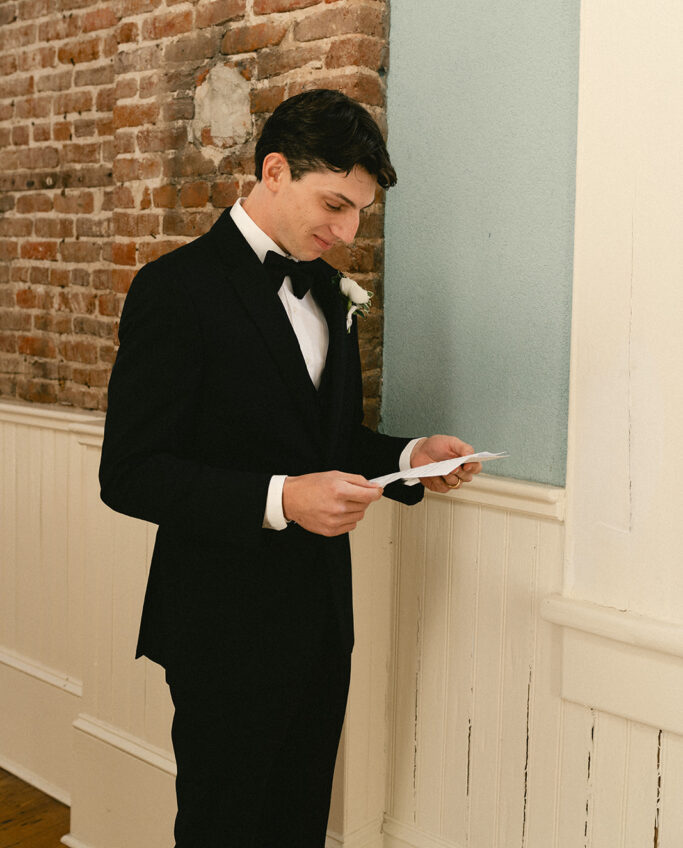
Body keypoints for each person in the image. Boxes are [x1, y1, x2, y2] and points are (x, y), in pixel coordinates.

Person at [98, 88, 482, 848]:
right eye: (334, 205)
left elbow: (325, 444)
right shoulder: (176, 290)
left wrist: (409, 458)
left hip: (319, 626)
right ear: (274, 170)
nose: (344, 232)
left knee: (298, 828)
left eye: (359, 216)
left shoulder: (329, 295)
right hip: (220, 629)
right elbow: (132, 472)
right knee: (224, 831)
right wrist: (280, 500)